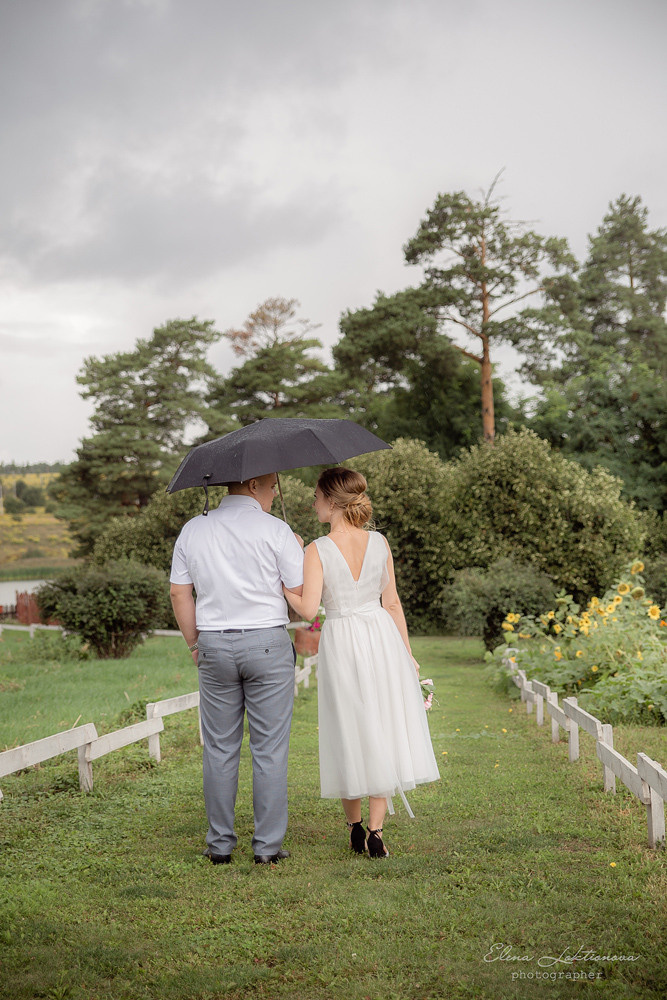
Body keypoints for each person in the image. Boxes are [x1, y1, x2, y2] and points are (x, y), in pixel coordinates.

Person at [283, 467, 439, 858]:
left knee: (347, 726)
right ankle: (375, 831)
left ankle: (353, 827)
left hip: (342, 640)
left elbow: (306, 607)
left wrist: (282, 580)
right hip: (381, 635)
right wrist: (407, 653)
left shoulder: (316, 549)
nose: (312, 502)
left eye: (316, 496)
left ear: (332, 501)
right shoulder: (380, 542)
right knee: (381, 725)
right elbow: (393, 604)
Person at [170, 472, 304, 865]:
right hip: (267, 643)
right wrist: (296, 548)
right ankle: (267, 848)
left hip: (213, 642)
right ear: (251, 485)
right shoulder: (277, 530)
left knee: (219, 748)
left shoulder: (193, 529)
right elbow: (299, 600)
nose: (274, 490)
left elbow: (180, 592)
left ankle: (220, 846)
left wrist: (195, 643)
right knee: (270, 749)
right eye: (270, 484)